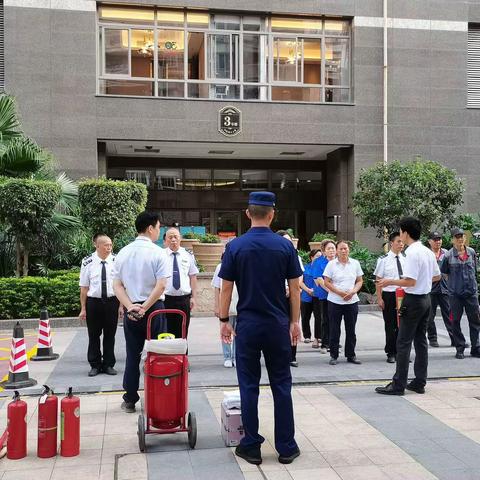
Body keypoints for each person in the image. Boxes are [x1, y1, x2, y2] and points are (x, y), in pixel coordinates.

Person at [218, 192, 303, 466]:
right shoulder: (285, 247)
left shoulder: (235, 247)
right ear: (272, 214)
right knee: (282, 384)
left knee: (248, 385)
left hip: (249, 325)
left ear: (247, 214)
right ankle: (286, 447)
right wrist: (294, 322)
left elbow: (227, 287)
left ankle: (251, 445)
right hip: (278, 324)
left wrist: (223, 321)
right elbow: (294, 288)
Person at [375, 217, 441, 396]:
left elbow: (409, 281)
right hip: (426, 300)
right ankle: (419, 382)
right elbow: (436, 276)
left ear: (405, 232)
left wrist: (390, 280)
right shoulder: (427, 251)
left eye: (400, 231)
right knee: (421, 341)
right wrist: (423, 280)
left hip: (413, 300)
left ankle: (398, 384)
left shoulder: (412, 253)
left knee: (403, 342)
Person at [113, 211, 170, 413]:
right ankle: (159, 397)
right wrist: (146, 307)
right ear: (150, 228)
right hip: (153, 309)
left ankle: (130, 399)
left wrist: (130, 306)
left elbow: (117, 286)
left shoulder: (123, 252)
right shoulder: (158, 253)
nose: (159, 231)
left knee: (132, 354)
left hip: (132, 310)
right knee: (158, 355)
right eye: (158, 227)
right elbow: (162, 285)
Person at [79, 234, 121, 377]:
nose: (109, 248)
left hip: (112, 302)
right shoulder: (87, 262)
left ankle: (109, 364)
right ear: (96, 245)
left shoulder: (117, 261)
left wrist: (121, 306)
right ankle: (95, 365)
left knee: (110, 335)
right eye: (105, 245)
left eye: (110, 245)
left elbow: (121, 285)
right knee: (93, 335)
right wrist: (83, 308)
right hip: (94, 303)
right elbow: (84, 287)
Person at [441, 228, 480, 359]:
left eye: (462, 236)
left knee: (475, 321)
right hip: (455, 295)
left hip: (471, 294)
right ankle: (460, 347)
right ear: (453, 239)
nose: (460, 239)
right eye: (457, 237)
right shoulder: (448, 256)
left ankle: (476, 348)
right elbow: (445, 274)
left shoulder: (472, 252)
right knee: (455, 321)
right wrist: (454, 286)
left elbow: (474, 270)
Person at [323, 241, 364, 365]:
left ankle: (351, 355)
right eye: (340, 249)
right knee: (334, 329)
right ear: (336, 250)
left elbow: (359, 281)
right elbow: (327, 282)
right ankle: (334, 355)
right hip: (335, 301)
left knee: (351, 329)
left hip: (351, 301)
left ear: (349, 250)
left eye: (345, 248)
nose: (343, 251)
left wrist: (353, 291)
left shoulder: (355, 263)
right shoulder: (331, 265)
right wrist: (340, 293)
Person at [374, 231, 406, 364]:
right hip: (389, 295)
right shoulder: (383, 260)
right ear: (391, 243)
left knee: (403, 325)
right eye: (398, 241)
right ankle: (391, 352)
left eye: (402, 242)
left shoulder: (406, 258)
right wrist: (380, 298)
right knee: (390, 324)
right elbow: (378, 280)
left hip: (403, 295)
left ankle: (402, 352)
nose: (401, 244)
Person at [163, 227, 199, 340]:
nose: (173, 239)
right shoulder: (160, 255)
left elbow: (193, 277)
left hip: (183, 299)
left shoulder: (188, 255)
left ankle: (183, 356)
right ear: (165, 240)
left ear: (180, 239)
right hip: (165, 299)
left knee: (183, 331)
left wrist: (193, 297)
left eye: (176, 237)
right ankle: (168, 357)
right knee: (166, 332)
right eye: (170, 237)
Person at [276, 230, 303, 367]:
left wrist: (292, 289)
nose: (288, 243)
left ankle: (292, 355)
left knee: (294, 323)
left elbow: (299, 276)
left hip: (292, 295)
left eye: (290, 240)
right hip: (278, 296)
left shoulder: (295, 256)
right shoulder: (274, 255)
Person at [427, 231, 454, 348]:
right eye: (435, 239)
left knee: (449, 315)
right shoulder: (426, 254)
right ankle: (432, 338)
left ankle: (455, 338)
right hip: (430, 289)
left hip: (445, 289)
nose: (438, 241)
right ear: (429, 241)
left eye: (439, 239)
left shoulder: (446, 253)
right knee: (429, 316)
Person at [212, 255, 238, 368]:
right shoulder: (220, 267)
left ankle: (236, 357)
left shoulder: (242, 265)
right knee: (225, 331)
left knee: (239, 333)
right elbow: (217, 288)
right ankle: (227, 357)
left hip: (240, 305)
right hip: (226, 305)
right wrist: (217, 306)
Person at [312, 239, 337, 353]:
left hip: (338, 295)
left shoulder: (339, 261)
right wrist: (331, 290)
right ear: (324, 251)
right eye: (329, 248)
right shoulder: (318, 262)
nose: (331, 250)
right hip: (324, 295)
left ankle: (334, 343)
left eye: (333, 248)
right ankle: (325, 343)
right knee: (325, 319)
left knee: (335, 320)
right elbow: (319, 280)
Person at [299, 250, 321, 345]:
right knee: (305, 317)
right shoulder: (305, 268)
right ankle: (307, 336)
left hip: (318, 296)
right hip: (306, 296)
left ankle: (319, 336)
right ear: (311, 257)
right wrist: (308, 290)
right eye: (317, 256)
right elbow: (300, 282)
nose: (319, 258)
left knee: (318, 317)